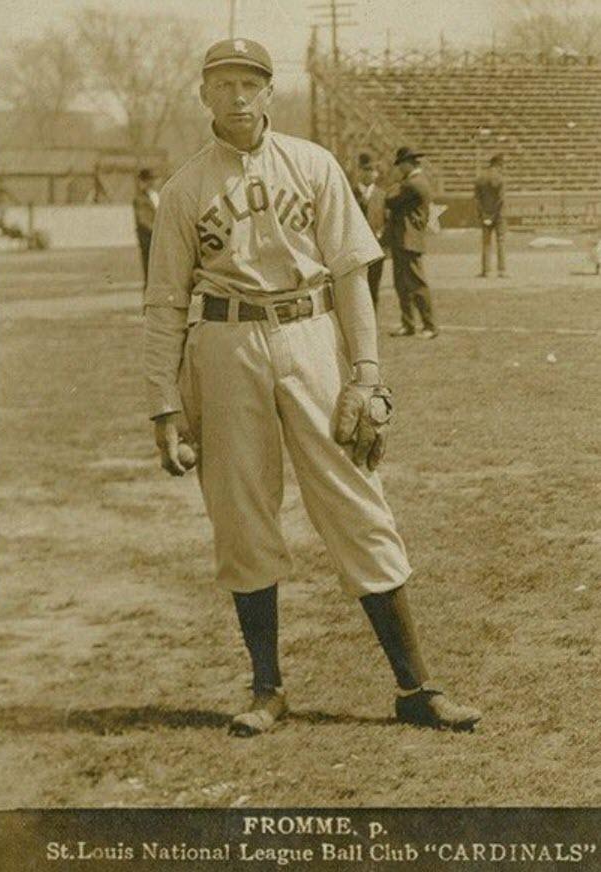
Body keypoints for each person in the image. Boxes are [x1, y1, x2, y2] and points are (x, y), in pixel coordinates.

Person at [144, 38, 481, 737]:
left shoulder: (314, 165)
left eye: (251, 83)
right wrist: (164, 405)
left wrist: (367, 373)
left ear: (270, 92)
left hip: (308, 334)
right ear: (203, 94)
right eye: (224, 83)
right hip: (222, 344)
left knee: (358, 503)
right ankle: (267, 690)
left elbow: (352, 273)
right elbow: (163, 306)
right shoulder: (183, 188)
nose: (237, 96)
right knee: (240, 516)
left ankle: (416, 686)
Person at [385, 146, 438, 339]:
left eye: (401, 165)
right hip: (404, 238)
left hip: (408, 238)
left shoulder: (411, 184)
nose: (399, 169)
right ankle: (409, 324)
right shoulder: (415, 181)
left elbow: (389, 199)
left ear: (409, 164)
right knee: (402, 284)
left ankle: (429, 326)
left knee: (416, 283)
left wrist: (395, 184)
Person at [352, 153, 386, 308]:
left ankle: (373, 323)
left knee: (374, 287)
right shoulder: (349, 194)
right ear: (359, 171)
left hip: (375, 249)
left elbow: (386, 221)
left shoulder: (382, 195)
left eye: (373, 169)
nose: (370, 173)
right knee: (354, 288)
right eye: (366, 169)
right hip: (354, 249)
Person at [474, 154, 507, 278]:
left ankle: (486, 271)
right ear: (498, 164)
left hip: (485, 214)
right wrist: (494, 215)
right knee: (501, 241)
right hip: (498, 215)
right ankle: (502, 270)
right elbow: (501, 200)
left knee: (486, 242)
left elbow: (477, 199)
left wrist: (484, 215)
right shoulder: (500, 178)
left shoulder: (480, 177)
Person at [133, 168, 159, 287]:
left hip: (155, 236)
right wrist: (159, 231)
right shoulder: (139, 198)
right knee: (149, 270)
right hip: (147, 237)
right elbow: (143, 220)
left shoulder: (154, 195)